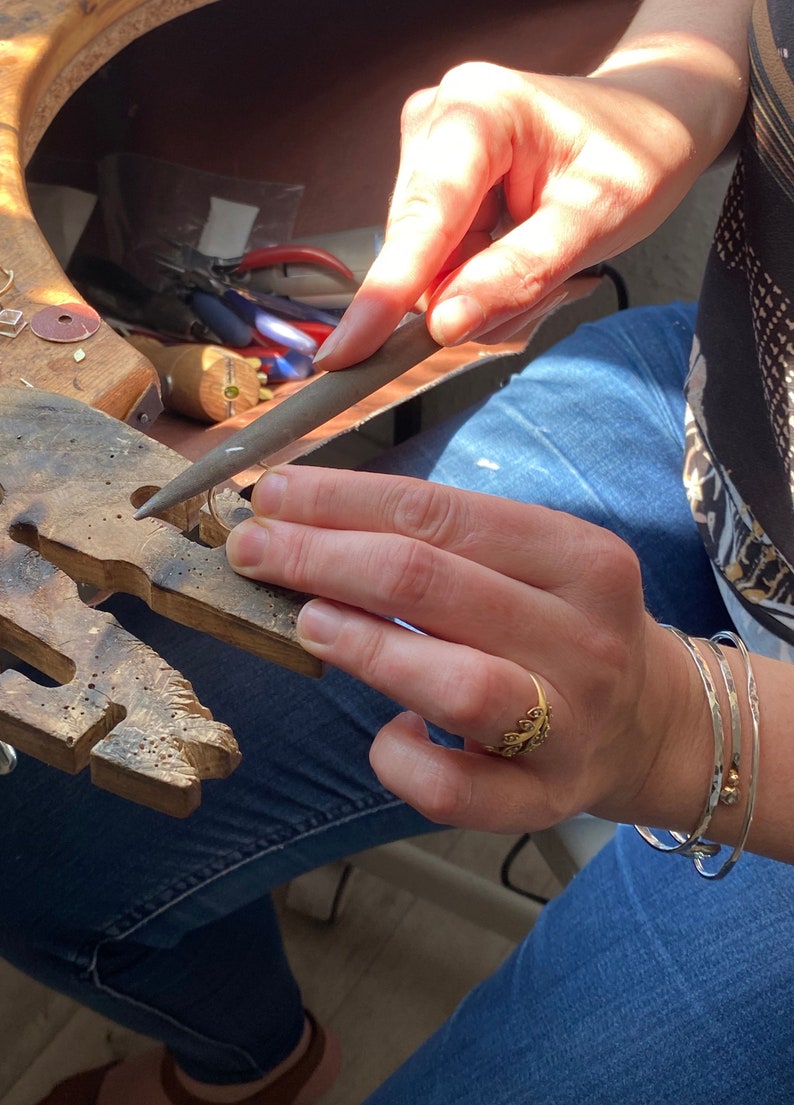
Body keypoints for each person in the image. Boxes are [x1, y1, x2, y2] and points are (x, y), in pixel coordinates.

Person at [3, 0, 794, 1101]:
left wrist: (691, 731)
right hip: (700, 419)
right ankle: (251, 1067)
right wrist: (665, 90)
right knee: (37, 847)